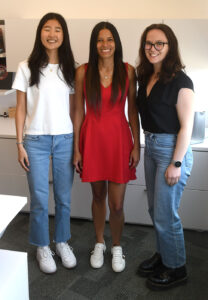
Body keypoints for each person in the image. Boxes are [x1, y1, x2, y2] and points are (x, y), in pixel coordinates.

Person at [12, 12, 77, 274]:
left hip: (65, 139)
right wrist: (19, 144)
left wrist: (79, 145)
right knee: (39, 197)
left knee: (63, 197)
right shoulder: (26, 66)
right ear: (40, 33)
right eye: (47, 29)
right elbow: (19, 109)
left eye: (58, 29)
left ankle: (61, 241)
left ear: (64, 35)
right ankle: (41, 245)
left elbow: (74, 111)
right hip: (35, 140)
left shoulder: (71, 68)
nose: (52, 34)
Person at [73, 21, 140, 272]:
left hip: (120, 140)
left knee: (117, 204)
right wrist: (77, 148)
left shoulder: (128, 70)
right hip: (92, 140)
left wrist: (137, 145)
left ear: (116, 43)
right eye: (100, 40)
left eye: (109, 39)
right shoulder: (83, 71)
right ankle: (99, 242)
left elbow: (132, 110)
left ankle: (117, 245)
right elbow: (79, 111)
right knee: (98, 196)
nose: (105, 44)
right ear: (94, 44)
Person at [136, 23, 194, 289]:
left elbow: (187, 127)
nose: (153, 48)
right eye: (149, 43)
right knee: (154, 209)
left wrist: (176, 163)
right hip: (151, 146)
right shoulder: (146, 75)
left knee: (165, 213)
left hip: (172, 151)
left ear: (170, 47)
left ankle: (176, 268)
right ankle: (164, 256)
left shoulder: (182, 81)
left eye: (160, 43)